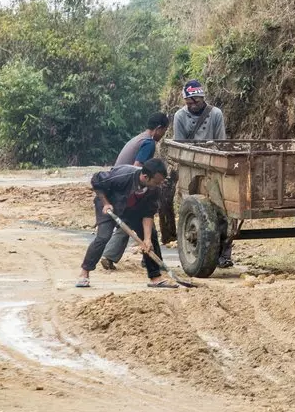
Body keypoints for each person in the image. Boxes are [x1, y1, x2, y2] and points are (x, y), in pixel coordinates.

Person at [76, 159, 175, 289]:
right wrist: (106, 203)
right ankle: (84, 273)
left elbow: (148, 213)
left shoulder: (154, 189)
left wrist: (146, 239)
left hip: (132, 209)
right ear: (145, 177)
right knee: (103, 237)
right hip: (109, 206)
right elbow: (97, 181)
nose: (159, 185)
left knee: (151, 238)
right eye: (156, 182)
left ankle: (155, 277)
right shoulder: (123, 175)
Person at [98, 113, 171, 272]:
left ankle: (150, 260)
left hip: (117, 185)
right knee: (136, 220)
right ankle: (152, 261)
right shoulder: (149, 143)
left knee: (133, 222)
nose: (163, 135)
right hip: (124, 188)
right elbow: (138, 166)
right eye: (164, 131)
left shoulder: (140, 138)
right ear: (158, 129)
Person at [172, 80, 232, 262]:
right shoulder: (180, 116)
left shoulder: (215, 114)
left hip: (213, 165)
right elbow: (181, 145)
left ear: (202, 98)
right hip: (191, 167)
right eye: (188, 103)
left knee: (222, 211)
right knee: (195, 210)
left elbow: (220, 141)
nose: (192, 106)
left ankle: (225, 255)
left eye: (195, 102)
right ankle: (199, 253)